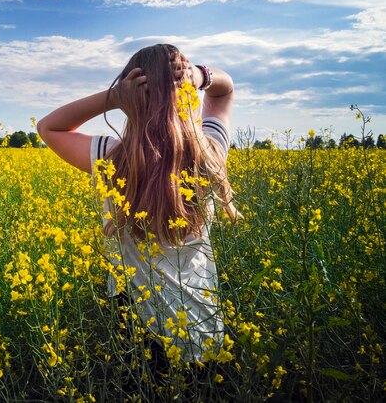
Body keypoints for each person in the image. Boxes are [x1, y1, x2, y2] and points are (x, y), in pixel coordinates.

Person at [37, 43, 239, 384]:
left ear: (130, 97)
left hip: (138, 328)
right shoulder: (210, 155)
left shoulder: (112, 158)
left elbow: (49, 127)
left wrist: (114, 97)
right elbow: (225, 91)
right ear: (186, 90)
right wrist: (201, 76)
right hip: (202, 327)